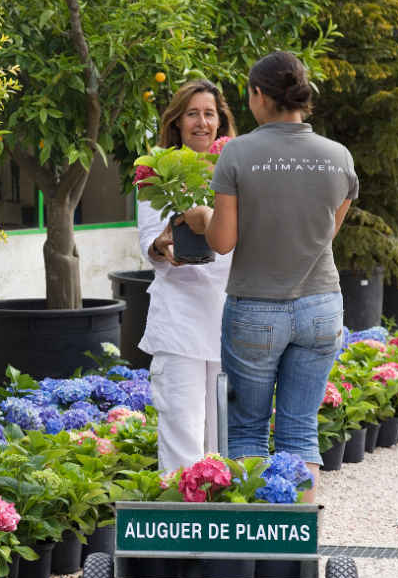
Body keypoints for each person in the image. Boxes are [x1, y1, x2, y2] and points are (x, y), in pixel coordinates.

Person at [183, 51, 357, 502]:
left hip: (255, 311)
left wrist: (201, 217)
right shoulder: (338, 157)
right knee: (300, 432)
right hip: (321, 306)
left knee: (247, 433)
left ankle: (254, 545)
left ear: (259, 96)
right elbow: (325, 234)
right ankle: (299, 543)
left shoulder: (239, 152)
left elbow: (222, 242)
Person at [138, 79, 237, 472]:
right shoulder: (155, 172)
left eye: (209, 114)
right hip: (179, 321)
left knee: (224, 443)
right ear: (177, 122)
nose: (201, 122)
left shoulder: (238, 169)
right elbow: (149, 240)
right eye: (192, 113)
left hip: (230, 317)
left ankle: (222, 525)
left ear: (220, 122)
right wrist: (162, 246)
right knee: (181, 436)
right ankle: (181, 523)